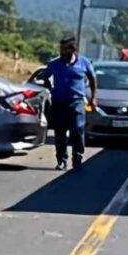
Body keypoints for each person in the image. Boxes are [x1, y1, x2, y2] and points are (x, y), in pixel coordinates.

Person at [43, 37, 97, 171]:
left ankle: (77, 158)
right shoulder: (54, 64)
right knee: (60, 132)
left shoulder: (84, 63)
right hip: (59, 102)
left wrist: (93, 97)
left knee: (77, 131)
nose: (62, 52)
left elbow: (92, 78)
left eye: (65, 49)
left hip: (76, 102)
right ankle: (61, 160)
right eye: (61, 49)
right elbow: (45, 77)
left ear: (73, 49)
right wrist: (51, 89)